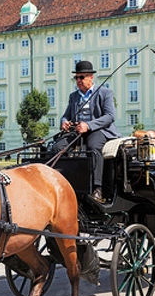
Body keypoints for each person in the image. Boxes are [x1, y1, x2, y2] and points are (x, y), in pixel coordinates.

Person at [52, 60, 121, 202]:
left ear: (91, 77)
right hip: (77, 131)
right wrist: (63, 122)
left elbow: (110, 116)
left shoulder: (105, 92)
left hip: (99, 130)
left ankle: (98, 188)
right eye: (76, 78)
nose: (78, 81)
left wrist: (89, 125)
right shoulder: (74, 96)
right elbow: (66, 115)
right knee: (57, 147)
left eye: (81, 77)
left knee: (93, 147)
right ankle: (62, 184)